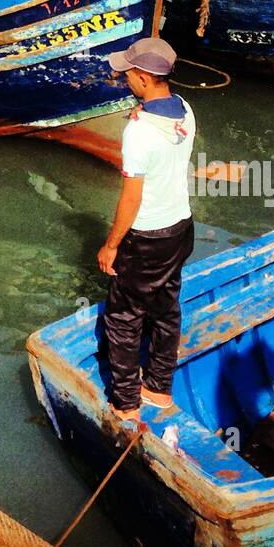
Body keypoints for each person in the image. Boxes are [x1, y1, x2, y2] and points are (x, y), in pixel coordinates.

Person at [99, 36, 196, 421]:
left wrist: (111, 245)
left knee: (123, 317)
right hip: (180, 228)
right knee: (166, 308)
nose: (124, 78)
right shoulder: (185, 110)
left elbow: (131, 199)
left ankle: (125, 404)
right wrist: (142, 112)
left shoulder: (138, 132)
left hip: (146, 238)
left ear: (142, 78)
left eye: (128, 73)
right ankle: (158, 387)